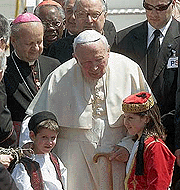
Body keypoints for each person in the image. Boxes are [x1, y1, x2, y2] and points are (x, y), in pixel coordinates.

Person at [20, 30, 151, 190]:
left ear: (108, 52)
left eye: (99, 60)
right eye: (86, 62)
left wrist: (129, 146)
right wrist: (28, 146)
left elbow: (149, 116)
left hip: (119, 155)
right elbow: (34, 117)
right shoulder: (59, 76)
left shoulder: (129, 69)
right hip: (74, 160)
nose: (94, 67)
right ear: (75, 57)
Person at [3, 13, 61, 143]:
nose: (35, 48)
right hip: (18, 138)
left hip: (52, 138)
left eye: (39, 42)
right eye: (29, 43)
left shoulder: (54, 65)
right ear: (13, 41)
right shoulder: (4, 69)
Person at [117, 91, 175, 189]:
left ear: (146, 119)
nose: (126, 122)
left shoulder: (155, 147)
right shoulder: (139, 143)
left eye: (131, 118)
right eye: (125, 117)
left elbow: (159, 184)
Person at [46, 0, 117, 64]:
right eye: (82, 14)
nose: (89, 20)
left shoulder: (116, 44)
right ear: (75, 17)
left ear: (105, 16)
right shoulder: (58, 49)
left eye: (95, 15)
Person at [12, 111, 67, 190]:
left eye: (53, 138)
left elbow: (64, 183)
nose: (49, 142)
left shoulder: (55, 160)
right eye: (44, 137)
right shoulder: (24, 166)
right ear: (32, 136)